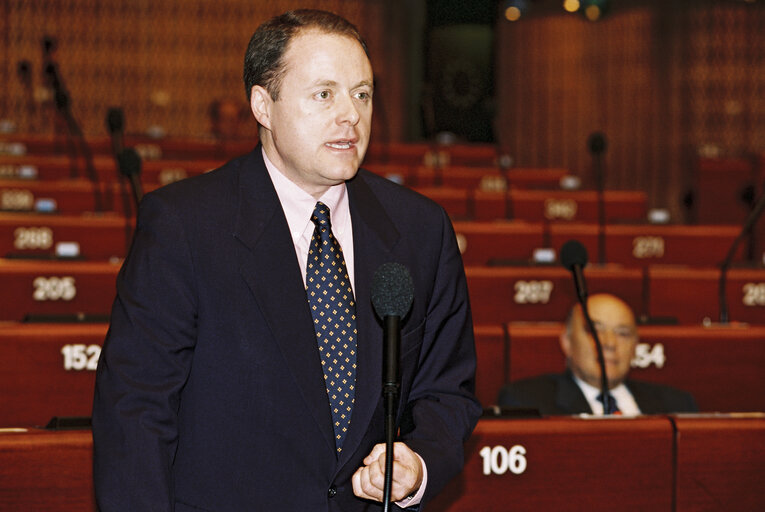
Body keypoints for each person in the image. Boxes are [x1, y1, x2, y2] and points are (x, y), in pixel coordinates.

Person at [92, 9, 481, 511]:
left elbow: (448, 390)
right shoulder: (185, 226)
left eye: (362, 94)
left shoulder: (421, 230)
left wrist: (420, 461)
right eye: (324, 94)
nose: (351, 116)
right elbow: (135, 413)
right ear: (263, 104)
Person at [497, 293, 697, 416]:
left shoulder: (677, 404)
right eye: (595, 331)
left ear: (635, 347)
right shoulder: (527, 401)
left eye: (622, 333)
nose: (609, 343)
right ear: (567, 342)